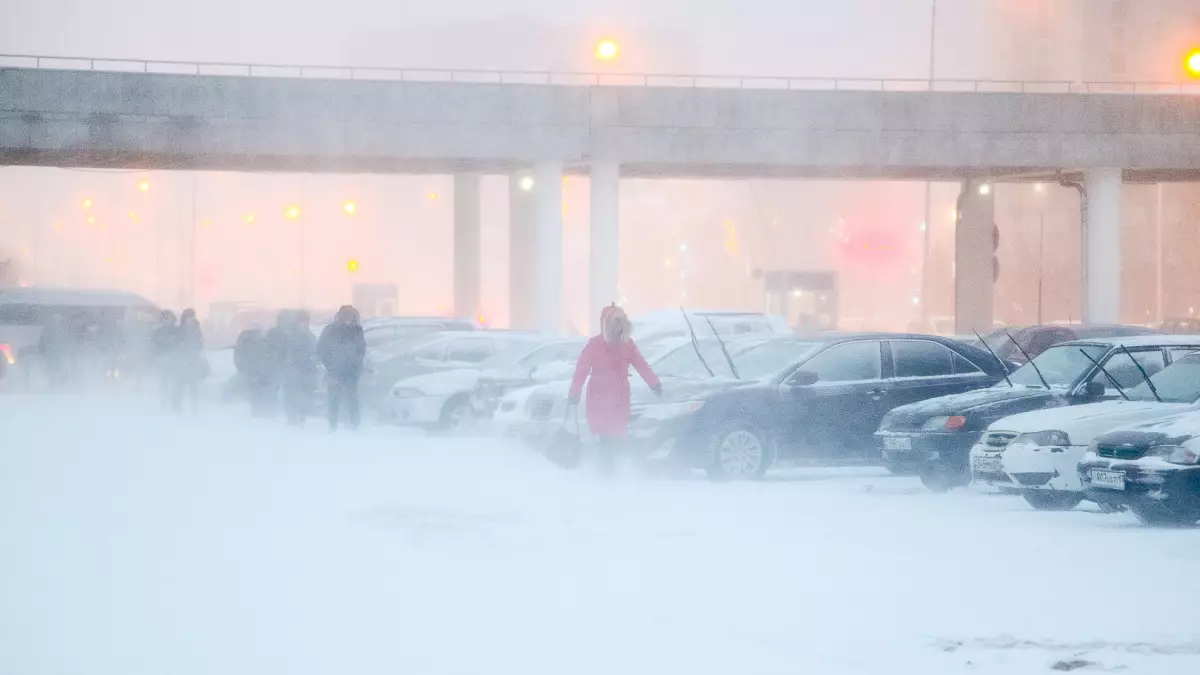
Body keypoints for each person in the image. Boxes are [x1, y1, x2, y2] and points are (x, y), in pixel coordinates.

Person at [568, 304, 662, 474]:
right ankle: (607, 472)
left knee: (612, 436)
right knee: (606, 437)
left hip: (617, 398)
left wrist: (654, 382)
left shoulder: (626, 345)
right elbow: (581, 370)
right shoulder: (595, 345)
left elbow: (641, 365)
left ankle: (607, 471)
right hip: (600, 398)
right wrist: (574, 394)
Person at [318, 305, 366, 431]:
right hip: (335, 370)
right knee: (334, 398)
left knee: (351, 398)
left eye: (351, 316)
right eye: (345, 316)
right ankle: (333, 424)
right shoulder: (330, 330)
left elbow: (361, 349)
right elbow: (322, 349)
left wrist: (356, 363)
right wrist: (329, 365)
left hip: (352, 371)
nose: (348, 319)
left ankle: (354, 424)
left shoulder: (357, 330)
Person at [279, 310, 318, 426]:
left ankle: (301, 416)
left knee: (305, 395)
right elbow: (283, 352)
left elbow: (314, 351)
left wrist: (313, 359)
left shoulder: (309, 335)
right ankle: (292, 417)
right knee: (291, 395)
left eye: (306, 321)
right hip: (292, 371)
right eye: (302, 321)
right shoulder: (289, 335)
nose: (304, 323)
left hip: (305, 371)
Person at [234, 326, 277, 418]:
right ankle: (260, 416)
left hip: (258, 375)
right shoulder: (254, 343)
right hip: (257, 374)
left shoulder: (251, 342)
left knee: (259, 397)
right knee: (259, 397)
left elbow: (239, 359)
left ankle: (259, 416)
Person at [172, 309, 207, 413]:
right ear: (184, 318)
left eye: (192, 316)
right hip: (181, 362)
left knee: (193, 387)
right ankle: (177, 406)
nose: (190, 319)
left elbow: (201, 344)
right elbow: (175, 345)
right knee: (180, 386)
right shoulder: (179, 330)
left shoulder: (197, 329)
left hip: (193, 362)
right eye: (188, 317)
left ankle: (194, 408)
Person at [150, 310, 179, 410]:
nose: (167, 321)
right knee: (163, 385)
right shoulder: (157, 333)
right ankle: (164, 404)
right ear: (161, 320)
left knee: (175, 385)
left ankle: (175, 404)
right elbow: (153, 348)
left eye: (169, 318)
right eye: (165, 318)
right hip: (162, 362)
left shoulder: (178, 332)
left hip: (175, 362)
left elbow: (182, 346)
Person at [37, 314, 74, 389]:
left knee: (62, 374)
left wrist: (68, 353)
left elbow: (69, 343)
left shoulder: (65, 329)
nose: (57, 319)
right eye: (55, 317)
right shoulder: (47, 330)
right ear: (52, 318)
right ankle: (52, 386)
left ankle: (61, 386)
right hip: (51, 357)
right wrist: (43, 355)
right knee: (52, 373)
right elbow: (42, 344)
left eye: (58, 317)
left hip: (61, 357)